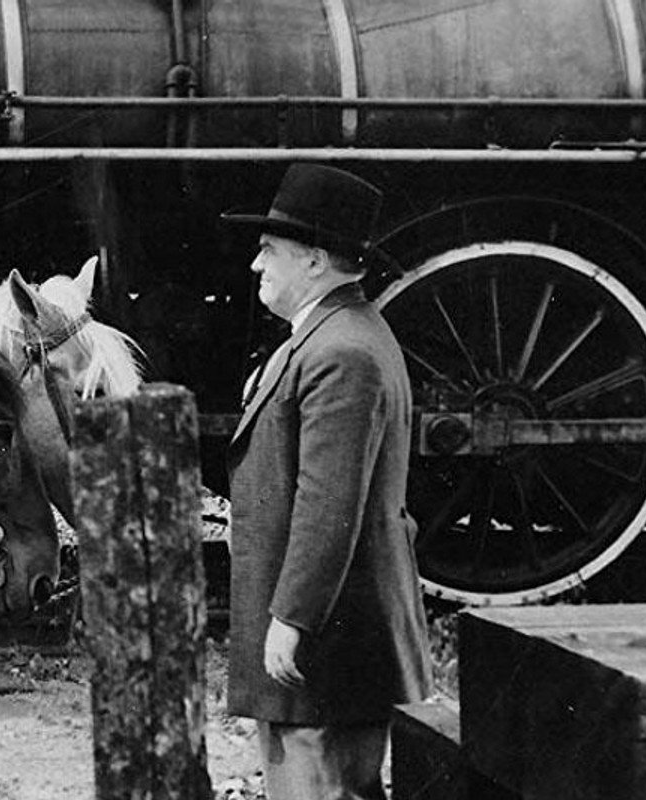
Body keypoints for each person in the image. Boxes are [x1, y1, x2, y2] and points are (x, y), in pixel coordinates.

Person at [220, 164, 431, 799]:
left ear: (313, 262)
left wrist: (292, 617)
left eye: (269, 251)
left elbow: (328, 502)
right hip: (328, 639)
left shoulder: (340, 350)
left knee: (320, 789)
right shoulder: (334, 335)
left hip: (327, 644)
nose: (257, 266)